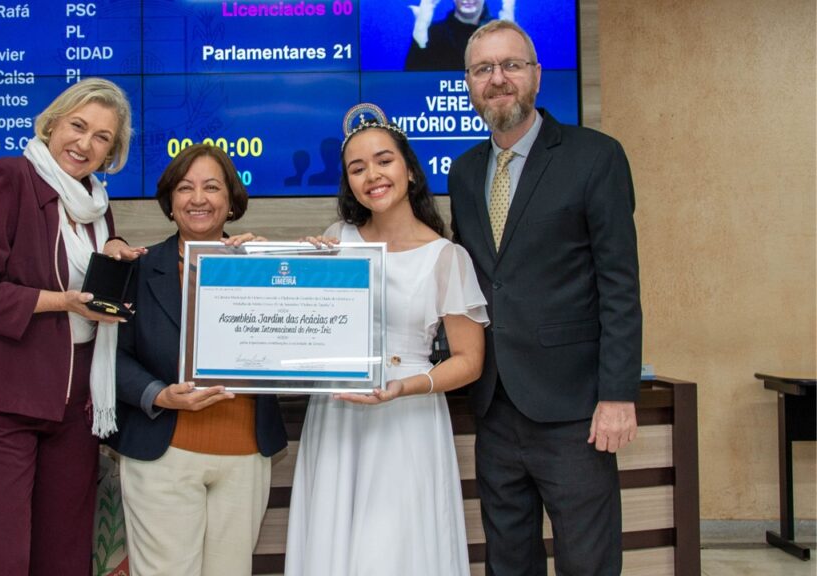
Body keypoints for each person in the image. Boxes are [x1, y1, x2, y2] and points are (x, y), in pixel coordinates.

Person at [448, 20, 642, 574]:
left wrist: (618, 394)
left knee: (587, 561)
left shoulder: (595, 156)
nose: (498, 78)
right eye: (484, 69)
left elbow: (620, 285)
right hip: (495, 405)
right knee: (509, 560)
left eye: (511, 65)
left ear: (535, 75)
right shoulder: (463, 173)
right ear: (469, 84)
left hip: (575, 409)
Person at [0, 77, 144, 575]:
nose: (85, 143)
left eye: (102, 137)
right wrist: (61, 303)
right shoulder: (6, 179)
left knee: (65, 554)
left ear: (111, 152)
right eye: (78, 126)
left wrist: (113, 259)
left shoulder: (96, 207)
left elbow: (89, 291)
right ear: (52, 123)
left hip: (74, 405)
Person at [285, 103, 489, 576]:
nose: (372, 175)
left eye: (383, 160)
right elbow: (304, 325)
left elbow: (469, 361)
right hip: (339, 413)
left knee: (393, 548)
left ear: (410, 171)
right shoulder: (337, 239)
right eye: (357, 168)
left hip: (407, 418)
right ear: (349, 183)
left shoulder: (447, 257)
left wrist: (403, 386)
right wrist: (292, 268)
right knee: (335, 542)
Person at [109, 143, 287, 576]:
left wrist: (296, 267)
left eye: (212, 186)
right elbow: (109, 359)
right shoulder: (134, 268)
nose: (198, 198)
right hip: (162, 452)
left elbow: (299, 347)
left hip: (245, 454)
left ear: (230, 202)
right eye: (185, 188)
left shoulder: (265, 267)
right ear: (170, 202)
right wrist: (159, 394)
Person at [405, 0, 512, 71]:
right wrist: (420, 30)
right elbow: (413, 85)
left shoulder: (500, 34)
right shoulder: (434, 35)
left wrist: (511, 38)